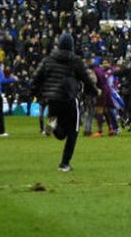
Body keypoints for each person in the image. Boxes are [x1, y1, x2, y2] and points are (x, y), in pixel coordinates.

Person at [31, 33, 97, 172]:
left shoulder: (47, 60)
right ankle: (64, 163)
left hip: (52, 100)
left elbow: (35, 79)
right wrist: (95, 91)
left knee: (59, 133)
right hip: (69, 99)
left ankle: (51, 126)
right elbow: (86, 78)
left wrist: (39, 95)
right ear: (71, 46)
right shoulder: (75, 60)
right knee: (74, 130)